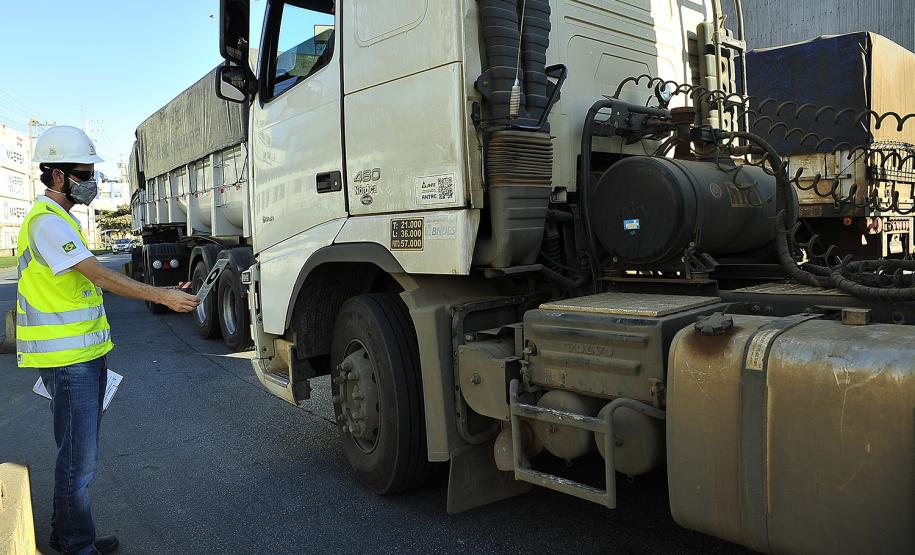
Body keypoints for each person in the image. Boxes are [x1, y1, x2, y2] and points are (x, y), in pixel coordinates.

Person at [17, 126, 199, 554]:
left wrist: (168, 293)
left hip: (83, 355)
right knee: (79, 461)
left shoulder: (61, 221)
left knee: (77, 455)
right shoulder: (45, 222)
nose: (92, 183)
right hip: (69, 361)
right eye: (83, 174)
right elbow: (98, 275)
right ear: (58, 177)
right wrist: (162, 296)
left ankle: (71, 534)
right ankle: (76, 545)